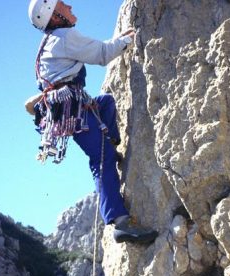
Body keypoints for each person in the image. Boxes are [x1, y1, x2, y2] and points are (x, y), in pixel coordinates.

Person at [27, 0, 158, 243]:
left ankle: (110, 144)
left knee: (106, 102)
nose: (69, 5)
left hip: (69, 107)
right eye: (62, 5)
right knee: (101, 159)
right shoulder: (64, 36)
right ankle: (120, 222)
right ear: (55, 16)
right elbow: (102, 54)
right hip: (72, 109)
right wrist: (126, 40)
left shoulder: (49, 43)